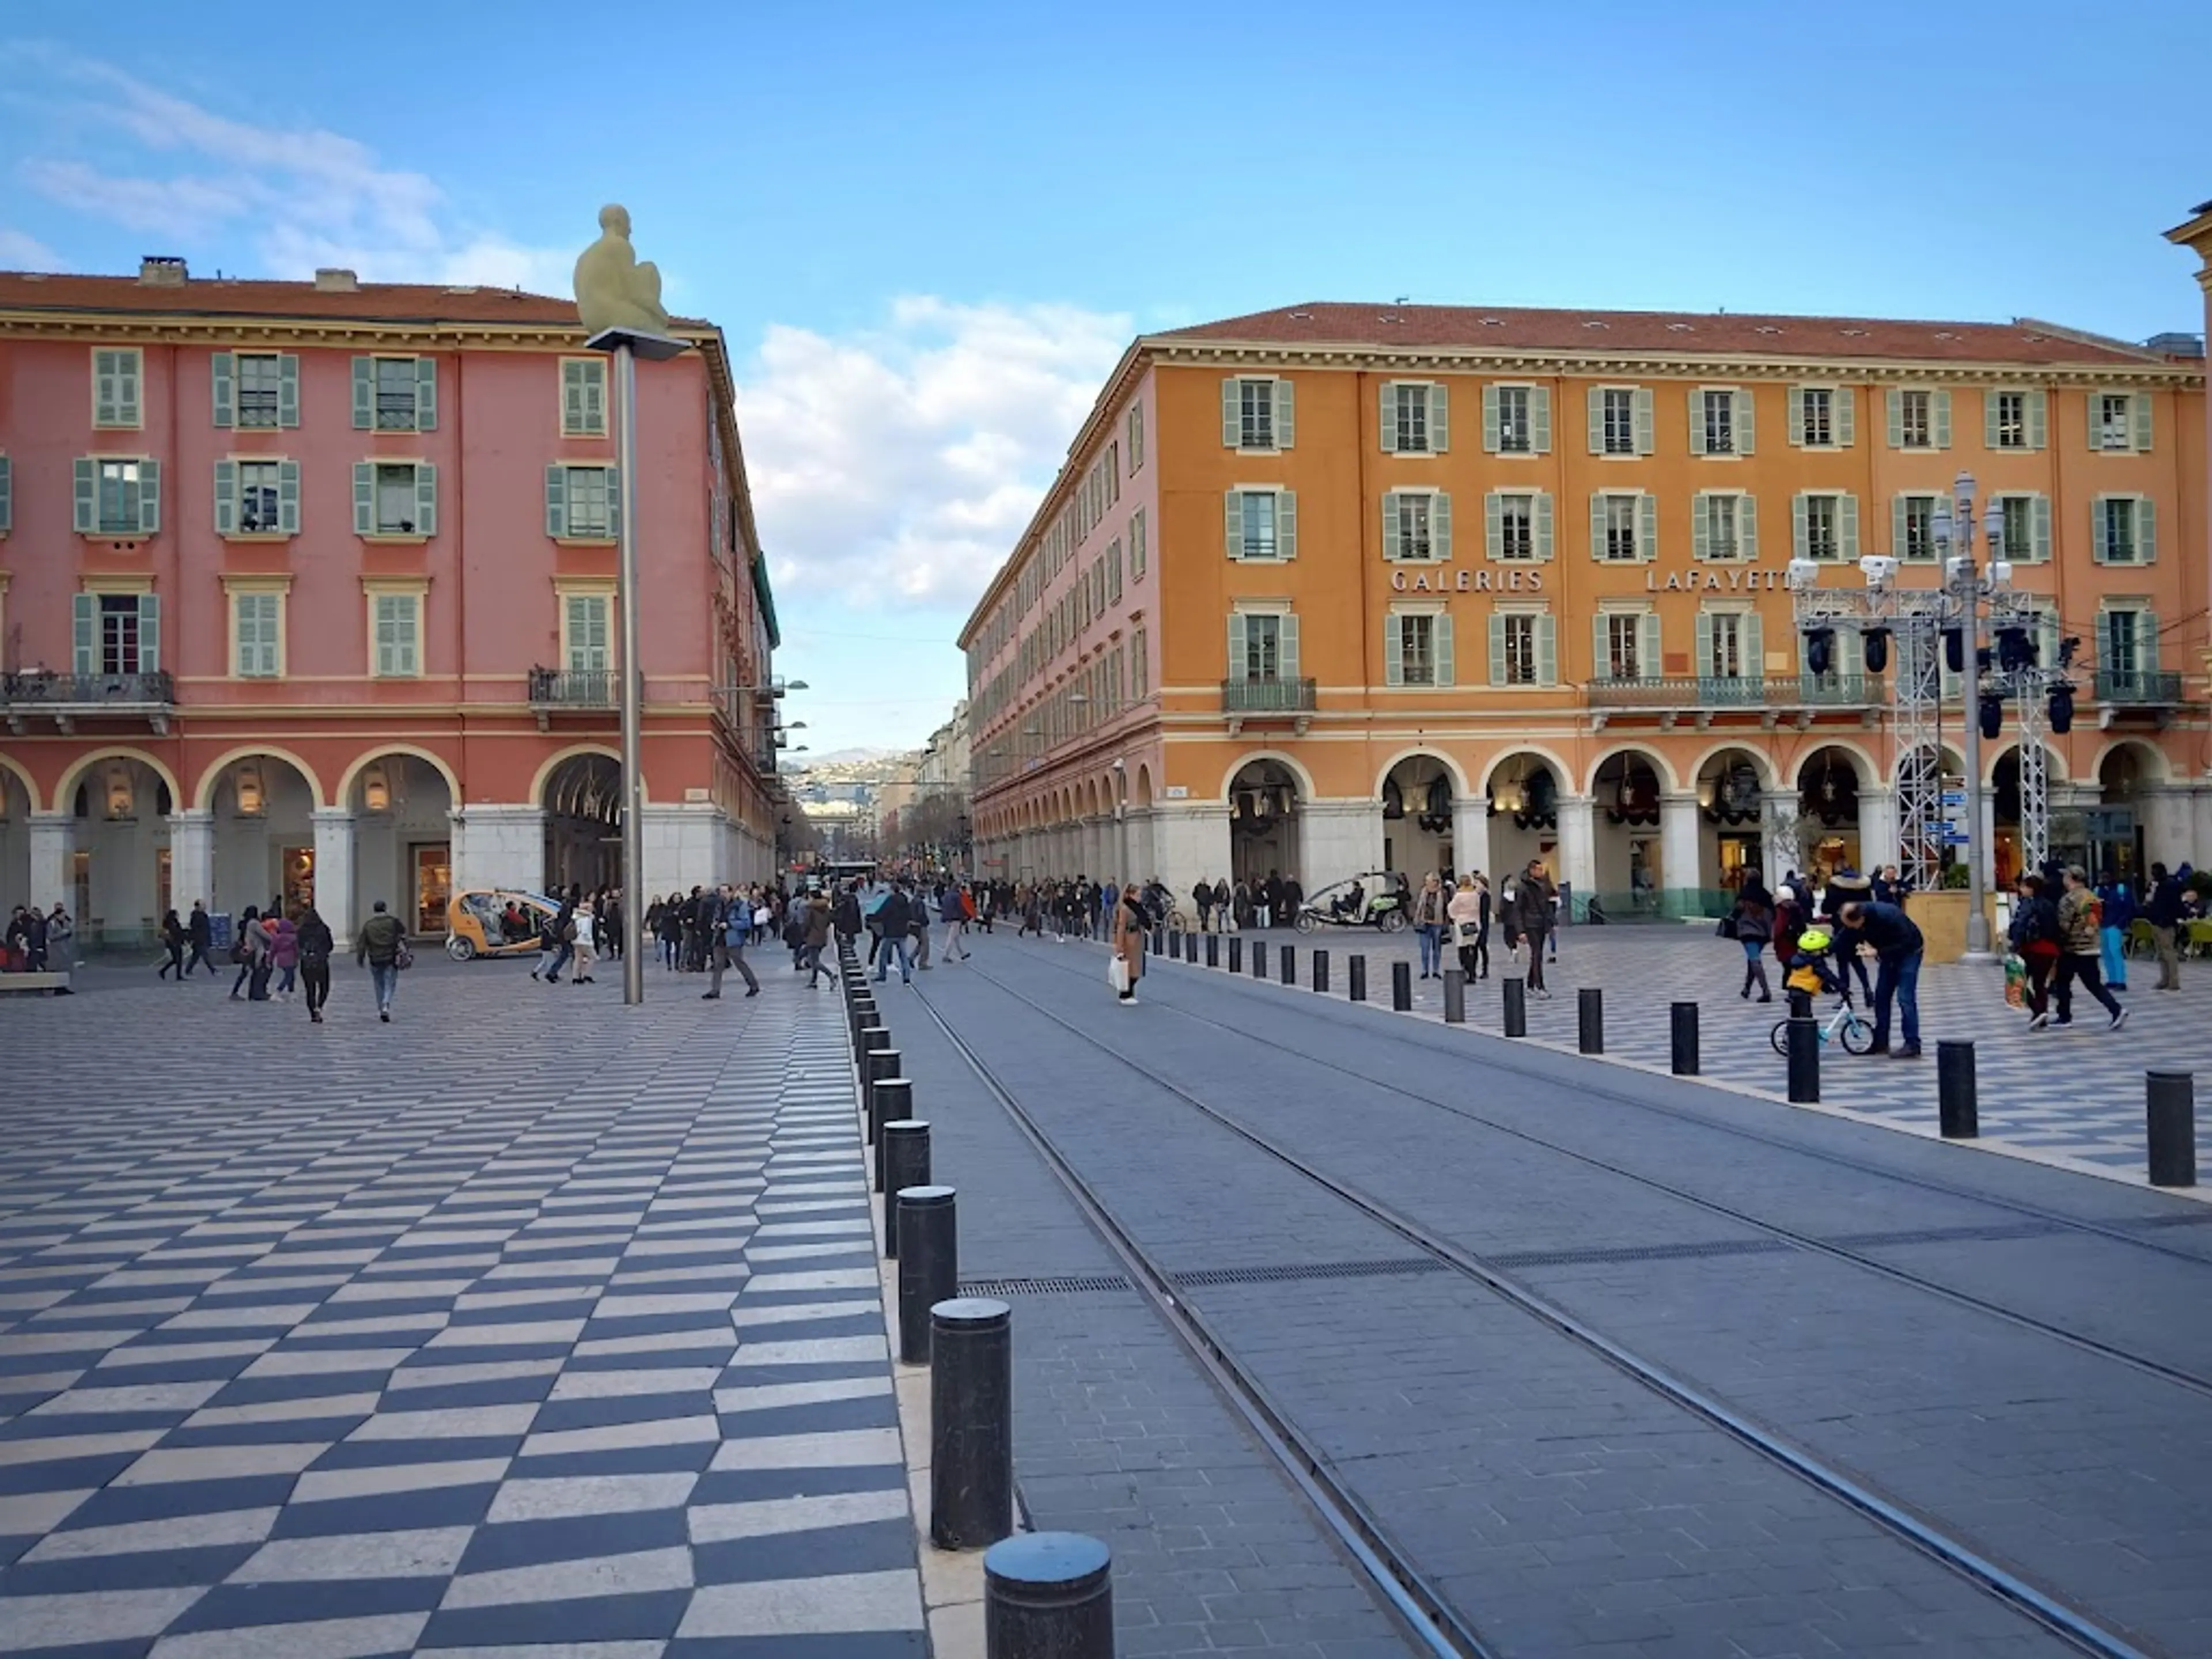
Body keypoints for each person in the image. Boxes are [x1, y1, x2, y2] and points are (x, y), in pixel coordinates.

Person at [1837, 899, 1924, 1058]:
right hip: (1888, 956)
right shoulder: (1855, 918)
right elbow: (1843, 939)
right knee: (1882, 997)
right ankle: (1880, 1042)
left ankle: (1912, 1044)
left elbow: (1906, 943)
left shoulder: (1889, 916)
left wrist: (1877, 952)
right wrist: (1820, 950)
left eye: (1851, 925)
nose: (1849, 929)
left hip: (1910, 953)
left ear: (1860, 919)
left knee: (1905, 998)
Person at [2043, 865, 2126, 1032]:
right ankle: (2116, 1009)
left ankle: (2065, 1016)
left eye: (2066, 877)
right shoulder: (2091, 895)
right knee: (2093, 984)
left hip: (2073, 947)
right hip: (2091, 946)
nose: (2064, 880)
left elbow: (2063, 924)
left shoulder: (2069, 899)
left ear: (2071, 879)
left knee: (2062, 982)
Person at [2008, 873, 2062, 1024]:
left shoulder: (2028, 904)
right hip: (2049, 949)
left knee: (2017, 981)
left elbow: (2021, 925)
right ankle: (2042, 1016)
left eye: (2024, 886)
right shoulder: (2049, 904)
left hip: (2032, 948)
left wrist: (2015, 946)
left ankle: (2038, 1011)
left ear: (2031, 889)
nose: (2021, 889)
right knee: (2039, 984)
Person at [705, 884, 760, 999]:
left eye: (725, 892)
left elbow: (746, 923)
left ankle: (753, 985)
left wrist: (730, 925)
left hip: (733, 939)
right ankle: (715, 990)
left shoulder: (739, 906)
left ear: (731, 893)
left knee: (739, 963)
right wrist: (714, 924)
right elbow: (716, 918)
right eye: (721, 892)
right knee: (718, 965)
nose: (723, 895)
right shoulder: (719, 906)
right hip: (720, 938)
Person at [1781, 924, 1844, 1021]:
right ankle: (1805, 1035)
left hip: (1793, 989)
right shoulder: (1815, 963)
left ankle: (1792, 1034)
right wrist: (1841, 986)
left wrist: (1828, 989)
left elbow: (1819, 978)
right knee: (1807, 1019)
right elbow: (1827, 975)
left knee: (1795, 1018)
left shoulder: (1800, 959)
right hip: (1803, 992)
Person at [356, 899, 406, 1022]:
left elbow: (362, 943)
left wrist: (360, 958)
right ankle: (386, 1004)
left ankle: (380, 1007)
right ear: (385, 908)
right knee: (390, 983)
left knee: (378, 984)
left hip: (375, 958)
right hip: (390, 957)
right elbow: (403, 932)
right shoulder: (393, 922)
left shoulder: (368, 925)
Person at [1513, 860, 1556, 997]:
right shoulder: (1523, 888)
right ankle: (1539, 986)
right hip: (1530, 924)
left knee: (1537, 955)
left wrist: (1550, 923)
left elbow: (1546, 906)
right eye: (1538, 870)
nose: (1541, 872)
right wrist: (1521, 931)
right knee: (1537, 954)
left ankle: (1530, 985)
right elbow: (1518, 910)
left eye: (1541, 870)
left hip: (1541, 923)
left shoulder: (1543, 885)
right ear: (1531, 870)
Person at [2143, 862, 2185, 991]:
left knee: (2169, 952)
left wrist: (2169, 918)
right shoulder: (2155, 886)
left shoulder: (2170, 885)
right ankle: (2164, 979)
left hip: (2166, 923)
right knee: (2162, 953)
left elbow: (2174, 904)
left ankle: (2173, 981)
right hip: (2156, 921)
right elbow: (2150, 901)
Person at [1732, 882, 1774, 1002]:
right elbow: (1773, 915)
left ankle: (1766, 991)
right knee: (1753, 960)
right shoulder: (1766, 896)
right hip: (1763, 934)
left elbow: (1735, 914)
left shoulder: (1743, 896)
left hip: (1748, 933)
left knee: (1755, 961)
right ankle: (1747, 989)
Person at [2094, 876, 2134, 993]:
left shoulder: (2120, 890)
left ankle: (2120, 981)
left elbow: (2129, 907)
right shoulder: (2098, 890)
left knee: (2115, 951)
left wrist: (2121, 922)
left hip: (2114, 925)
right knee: (2107, 953)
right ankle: (2112, 979)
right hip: (2103, 925)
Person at [1447, 872, 1490, 980]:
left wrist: (1455, 917)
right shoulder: (1475, 895)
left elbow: (1451, 909)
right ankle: (1472, 973)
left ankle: (1466, 971)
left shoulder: (1459, 896)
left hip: (1462, 923)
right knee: (1472, 948)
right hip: (1475, 923)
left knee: (1463, 949)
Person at [296, 906, 335, 1023]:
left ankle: (313, 1012)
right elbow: (330, 945)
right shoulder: (323, 929)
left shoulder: (301, 930)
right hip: (321, 962)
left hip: (307, 963)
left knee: (310, 990)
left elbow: (298, 946)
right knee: (324, 987)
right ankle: (319, 1006)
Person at [1112, 877, 1147, 1005]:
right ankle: (1125, 995)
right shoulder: (1125, 909)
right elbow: (1121, 928)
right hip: (1128, 941)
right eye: (1137, 895)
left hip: (1137, 940)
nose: (1140, 897)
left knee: (1136, 970)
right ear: (1130, 895)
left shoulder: (1138, 908)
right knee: (1129, 970)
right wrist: (1119, 947)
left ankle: (1130, 993)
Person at [874, 884, 914, 984]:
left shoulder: (890, 901)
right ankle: (906, 978)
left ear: (892, 890)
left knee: (883, 955)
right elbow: (910, 915)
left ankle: (882, 976)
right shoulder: (905, 901)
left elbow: (881, 914)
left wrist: (876, 919)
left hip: (890, 932)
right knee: (903, 956)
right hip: (902, 932)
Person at [1412, 873, 1448, 979]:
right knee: (1425, 948)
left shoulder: (1442, 893)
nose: (1426, 883)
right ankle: (1425, 970)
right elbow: (1419, 906)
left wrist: (1446, 923)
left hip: (1437, 923)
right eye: (1426, 881)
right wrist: (1417, 918)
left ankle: (1436, 970)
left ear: (1435, 882)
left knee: (1437, 949)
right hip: (1424, 923)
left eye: (1429, 881)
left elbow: (1446, 908)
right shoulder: (1423, 892)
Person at [230, 906, 269, 1001]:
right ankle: (252, 992)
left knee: (247, 972)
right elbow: (264, 935)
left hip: (247, 950)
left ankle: (246, 992)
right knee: (253, 972)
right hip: (252, 950)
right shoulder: (254, 923)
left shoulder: (244, 923)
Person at [801, 888, 834, 986]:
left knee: (813, 961)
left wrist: (804, 934)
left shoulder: (811, 908)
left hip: (813, 936)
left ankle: (831, 975)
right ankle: (813, 981)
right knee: (816, 958)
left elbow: (807, 923)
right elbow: (829, 921)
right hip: (822, 935)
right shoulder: (826, 908)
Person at [267, 910, 300, 1003]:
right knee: (289, 977)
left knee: (290, 976)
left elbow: (273, 950)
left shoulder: (277, 938)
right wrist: (298, 958)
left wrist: (270, 960)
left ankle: (291, 993)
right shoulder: (294, 937)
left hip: (281, 959)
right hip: (291, 959)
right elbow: (296, 949)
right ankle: (278, 992)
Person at [937, 884, 971, 963]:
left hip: (948, 918)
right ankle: (946, 955)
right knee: (951, 937)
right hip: (955, 918)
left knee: (956, 937)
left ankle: (962, 953)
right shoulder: (957, 896)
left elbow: (943, 906)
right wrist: (963, 918)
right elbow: (960, 908)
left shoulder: (947, 895)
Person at [572, 897, 599, 984]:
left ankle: (575, 977)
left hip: (576, 940)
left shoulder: (577, 916)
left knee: (578, 959)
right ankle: (586, 975)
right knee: (593, 957)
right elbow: (585, 932)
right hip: (585, 941)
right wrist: (590, 941)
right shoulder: (587, 918)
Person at [185, 900, 215, 977]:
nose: (204, 907)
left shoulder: (204, 915)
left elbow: (206, 929)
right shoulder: (196, 917)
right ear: (197, 907)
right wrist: (192, 938)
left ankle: (188, 969)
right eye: (203, 905)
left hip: (203, 938)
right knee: (205, 955)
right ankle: (213, 970)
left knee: (195, 956)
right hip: (199, 939)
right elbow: (194, 929)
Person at [157, 908, 187, 980]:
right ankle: (163, 971)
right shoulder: (168, 922)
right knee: (176, 959)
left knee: (178, 959)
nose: (177, 916)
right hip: (172, 942)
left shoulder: (175, 922)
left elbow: (179, 931)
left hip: (177, 942)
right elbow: (174, 931)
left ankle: (178, 975)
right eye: (176, 914)